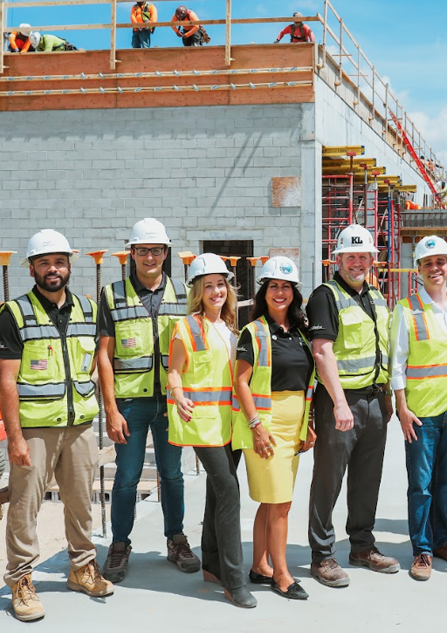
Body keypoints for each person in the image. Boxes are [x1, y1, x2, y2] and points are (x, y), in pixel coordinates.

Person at [0, 230, 111, 622]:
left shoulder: (88, 309)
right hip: (35, 429)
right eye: (44, 263)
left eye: (59, 262)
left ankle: (82, 568)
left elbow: (97, 363)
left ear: (68, 265)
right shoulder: (13, 313)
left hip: (79, 425)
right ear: (32, 268)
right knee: (26, 507)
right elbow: (6, 381)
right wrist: (14, 438)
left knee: (81, 502)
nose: (52, 269)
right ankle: (22, 581)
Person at [97, 218, 194, 584]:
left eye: (156, 250)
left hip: (172, 402)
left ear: (166, 253)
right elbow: (104, 355)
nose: (150, 256)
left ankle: (176, 538)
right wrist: (110, 409)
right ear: (131, 253)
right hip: (131, 404)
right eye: (142, 250)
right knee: (126, 476)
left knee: (172, 474)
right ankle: (120, 545)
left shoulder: (184, 294)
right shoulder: (112, 295)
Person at [306, 224, 399, 587]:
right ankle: (322, 555)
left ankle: (362, 545)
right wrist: (341, 404)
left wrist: (387, 395)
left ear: (371, 261)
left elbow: (382, 349)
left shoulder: (375, 296)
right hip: (341, 403)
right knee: (328, 479)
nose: (358, 262)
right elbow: (322, 351)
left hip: (375, 400)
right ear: (338, 259)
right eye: (351, 256)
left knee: (367, 478)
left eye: (364, 256)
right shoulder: (325, 296)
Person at [166, 253, 256, 608]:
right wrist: (178, 394)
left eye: (221, 284)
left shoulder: (231, 327)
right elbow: (174, 371)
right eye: (209, 286)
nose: (216, 291)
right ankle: (234, 580)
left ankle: (213, 564)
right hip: (201, 423)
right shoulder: (185, 327)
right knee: (230, 491)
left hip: (228, 422)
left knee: (217, 493)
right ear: (198, 292)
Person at [391, 236, 447, 581]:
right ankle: (422, 549)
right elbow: (396, 363)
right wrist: (401, 407)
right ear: (418, 270)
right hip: (422, 411)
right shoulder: (406, 309)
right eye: (428, 263)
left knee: (445, 482)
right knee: (421, 484)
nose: (435, 268)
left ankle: (441, 540)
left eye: (441, 262)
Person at [235, 256, 316, 601]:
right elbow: (240, 381)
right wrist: (256, 426)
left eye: (285, 287)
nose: (279, 292)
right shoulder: (252, 331)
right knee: (281, 502)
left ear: (294, 293)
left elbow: (305, 381)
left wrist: (307, 424)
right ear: (263, 293)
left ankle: (259, 566)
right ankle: (282, 575)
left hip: (293, 424)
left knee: (271, 503)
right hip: (265, 427)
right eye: (273, 287)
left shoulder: (300, 333)